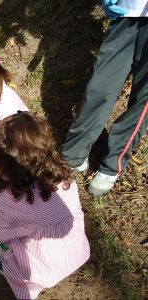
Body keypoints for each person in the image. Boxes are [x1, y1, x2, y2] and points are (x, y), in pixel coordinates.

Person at [0, 112, 90, 299]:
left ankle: (5, 266)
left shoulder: (4, 201)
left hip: (41, 272)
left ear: (5, 160)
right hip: (77, 253)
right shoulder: (66, 179)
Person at [61, 0, 148, 196]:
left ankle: (112, 165)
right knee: (98, 87)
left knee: (142, 102)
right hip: (127, 13)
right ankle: (75, 151)